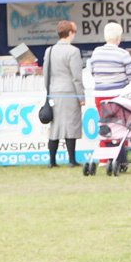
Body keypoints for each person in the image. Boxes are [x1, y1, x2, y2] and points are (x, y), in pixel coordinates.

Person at [90, 21, 131, 168]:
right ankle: (121, 159)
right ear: (118, 37)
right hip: (119, 97)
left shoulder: (96, 52)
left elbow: (92, 72)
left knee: (105, 125)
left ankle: (104, 159)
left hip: (100, 96)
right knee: (122, 127)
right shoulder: (123, 54)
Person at [43, 20, 85, 168]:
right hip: (69, 92)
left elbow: (46, 74)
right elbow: (76, 76)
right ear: (70, 33)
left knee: (55, 127)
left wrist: (48, 92)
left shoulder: (50, 50)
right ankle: (71, 160)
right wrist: (81, 96)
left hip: (54, 92)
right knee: (71, 125)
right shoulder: (73, 51)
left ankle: (52, 161)